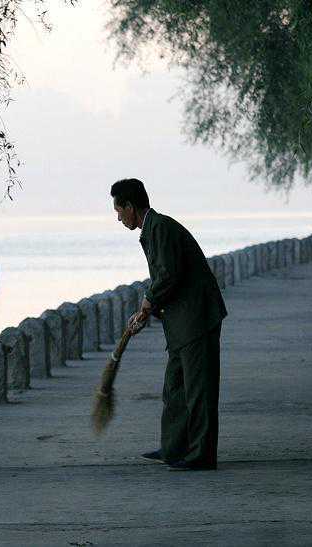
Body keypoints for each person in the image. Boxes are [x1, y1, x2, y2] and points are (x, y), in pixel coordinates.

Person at [110, 178, 227, 471]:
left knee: (198, 390)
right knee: (175, 388)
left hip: (197, 319)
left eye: (119, 211)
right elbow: (167, 277)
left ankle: (201, 455)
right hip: (180, 323)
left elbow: (168, 275)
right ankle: (174, 448)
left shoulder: (160, 227)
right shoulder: (152, 229)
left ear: (130, 206)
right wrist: (148, 310)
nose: (118, 218)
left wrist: (147, 303)